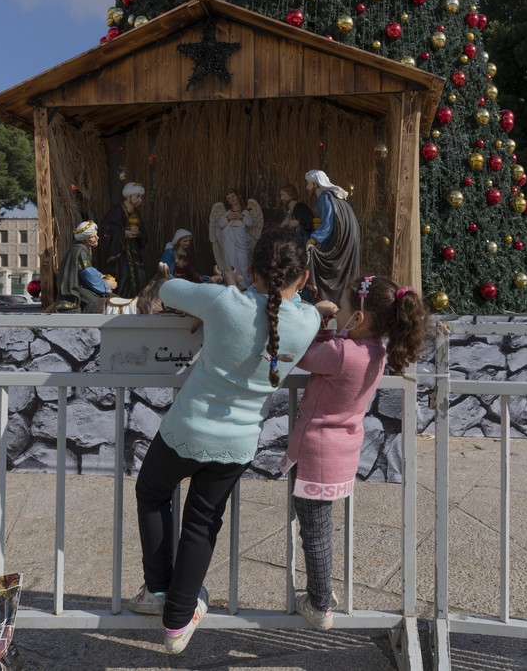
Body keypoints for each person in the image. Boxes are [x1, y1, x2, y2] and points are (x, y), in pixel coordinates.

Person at [129, 226, 321, 654]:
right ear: (304, 279)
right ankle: (177, 622)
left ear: (250, 268)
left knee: (152, 492)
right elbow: (299, 308)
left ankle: (158, 590)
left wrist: (228, 284)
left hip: (187, 427)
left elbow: (171, 288)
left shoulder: (223, 302)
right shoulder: (309, 322)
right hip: (237, 443)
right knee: (202, 523)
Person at [281, 275, 429, 630]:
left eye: (345, 309)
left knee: (313, 532)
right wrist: (335, 327)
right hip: (342, 454)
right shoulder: (375, 352)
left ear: (359, 319)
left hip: (315, 452)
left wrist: (316, 319)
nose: (340, 313)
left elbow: (301, 354)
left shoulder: (341, 352)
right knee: (321, 527)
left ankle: (318, 603)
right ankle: (324, 591)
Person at [304, 170, 361, 306]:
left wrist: (311, 241)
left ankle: (317, 299)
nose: (307, 187)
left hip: (338, 243)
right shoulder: (333, 197)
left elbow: (327, 225)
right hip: (347, 242)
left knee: (313, 258)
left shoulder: (324, 198)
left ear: (316, 185)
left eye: (308, 184)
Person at [53, 220, 117, 313]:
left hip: (83, 287)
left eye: (96, 235)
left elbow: (89, 270)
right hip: (77, 291)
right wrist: (107, 284)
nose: (97, 238)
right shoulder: (80, 252)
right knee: (107, 303)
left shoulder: (79, 249)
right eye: (93, 236)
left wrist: (102, 276)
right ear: (85, 239)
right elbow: (89, 276)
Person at [102, 182, 149, 298]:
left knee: (141, 274)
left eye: (140, 197)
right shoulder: (116, 211)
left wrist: (138, 233)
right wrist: (124, 233)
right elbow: (107, 229)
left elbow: (143, 233)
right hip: (120, 253)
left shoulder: (136, 213)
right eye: (137, 197)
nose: (140, 200)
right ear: (128, 197)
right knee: (124, 275)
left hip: (134, 254)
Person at [209, 190, 263, 287]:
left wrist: (240, 216)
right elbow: (220, 225)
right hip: (228, 241)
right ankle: (232, 284)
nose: (232, 199)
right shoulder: (227, 213)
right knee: (230, 263)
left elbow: (250, 223)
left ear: (238, 196)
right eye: (229, 198)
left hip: (242, 240)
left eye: (233, 196)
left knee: (243, 264)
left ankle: (245, 285)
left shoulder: (245, 212)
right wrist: (229, 218)